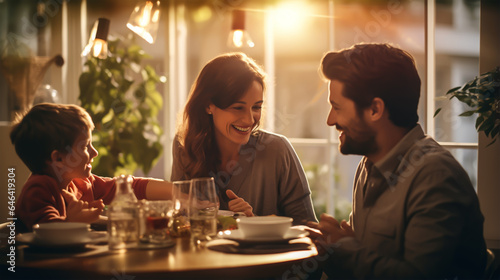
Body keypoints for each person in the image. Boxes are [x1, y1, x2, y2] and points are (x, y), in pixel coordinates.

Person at [307, 43, 487, 279]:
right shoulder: (368, 166)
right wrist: (328, 246)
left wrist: (343, 249)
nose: (331, 120)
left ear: (374, 109)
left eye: (337, 107)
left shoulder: (435, 177)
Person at [171, 52, 317, 224]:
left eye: (256, 107)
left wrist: (255, 222)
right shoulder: (185, 146)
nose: (249, 120)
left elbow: (309, 231)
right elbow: (179, 220)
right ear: (208, 105)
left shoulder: (277, 150)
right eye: (238, 108)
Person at [10, 103, 173, 231]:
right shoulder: (37, 191)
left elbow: (128, 187)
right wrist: (72, 222)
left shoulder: (80, 182)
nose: (94, 152)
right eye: (85, 146)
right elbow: (47, 236)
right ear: (58, 158)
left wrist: (176, 192)